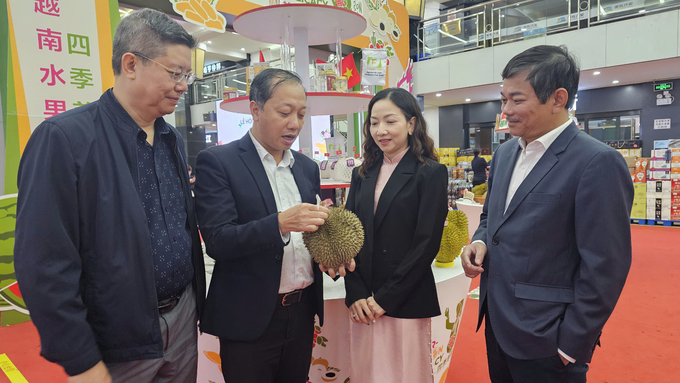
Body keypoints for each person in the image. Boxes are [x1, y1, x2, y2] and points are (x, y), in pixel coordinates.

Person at [14, 9, 205, 383]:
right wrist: (80, 359)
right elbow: (44, 263)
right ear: (131, 64)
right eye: (174, 73)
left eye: (188, 75)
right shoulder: (64, 139)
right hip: (116, 338)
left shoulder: (171, 139)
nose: (184, 85)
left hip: (182, 319)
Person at [461, 45, 633, 383]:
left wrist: (571, 344)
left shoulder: (596, 162)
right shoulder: (505, 153)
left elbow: (606, 265)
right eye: (503, 99)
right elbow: (491, 220)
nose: (505, 110)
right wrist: (480, 242)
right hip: (497, 324)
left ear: (557, 99)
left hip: (549, 340)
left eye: (517, 100)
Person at [194, 68, 340, 383]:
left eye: (301, 114)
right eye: (284, 112)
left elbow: (310, 237)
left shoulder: (306, 167)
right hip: (249, 316)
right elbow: (218, 240)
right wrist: (280, 224)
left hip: (301, 313)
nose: (295, 123)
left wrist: (331, 256)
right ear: (256, 110)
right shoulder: (219, 162)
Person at [343, 88, 448, 382]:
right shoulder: (362, 173)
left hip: (405, 295)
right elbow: (348, 233)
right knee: (366, 370)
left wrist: (385, 299)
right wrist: (356, 292)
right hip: (363, 299)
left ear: (411, 123)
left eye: (390, 121)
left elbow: (426, 244)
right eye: (374, 123)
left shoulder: (430, 173)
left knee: (403, 371)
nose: (381, 130)